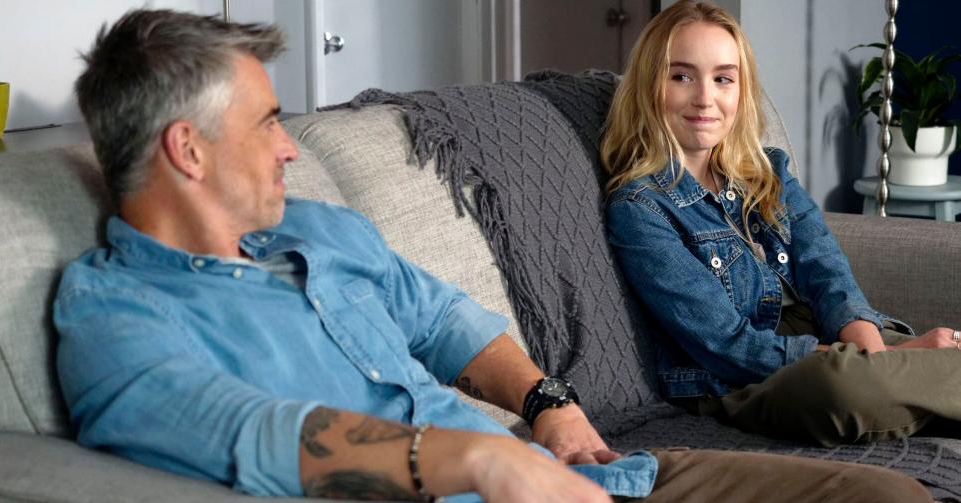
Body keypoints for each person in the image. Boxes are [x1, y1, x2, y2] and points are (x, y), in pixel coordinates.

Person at [54, 7, 931, 503]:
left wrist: (546, 402)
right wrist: (476, 458)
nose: (289, 147)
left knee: (885, 498)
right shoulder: (116, 317)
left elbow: (444, 317)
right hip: (488, 484)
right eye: (268, 123)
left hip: (588, 473)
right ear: (188, 149)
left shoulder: (315, 230)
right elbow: (247, 431)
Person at [603, 0, 961, 451]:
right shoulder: (640, 208)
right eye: (681, 77)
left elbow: (826, 271)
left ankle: (911, 384)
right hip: (742, 378)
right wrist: (890, 359)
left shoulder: (770, 172)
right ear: (648, 85)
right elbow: (725, 344)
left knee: (913, 360)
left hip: (830, 341)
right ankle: (928, 385)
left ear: (741, 91)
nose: (705, 98)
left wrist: (873, 350)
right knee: (844, 387)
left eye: (723, 79)